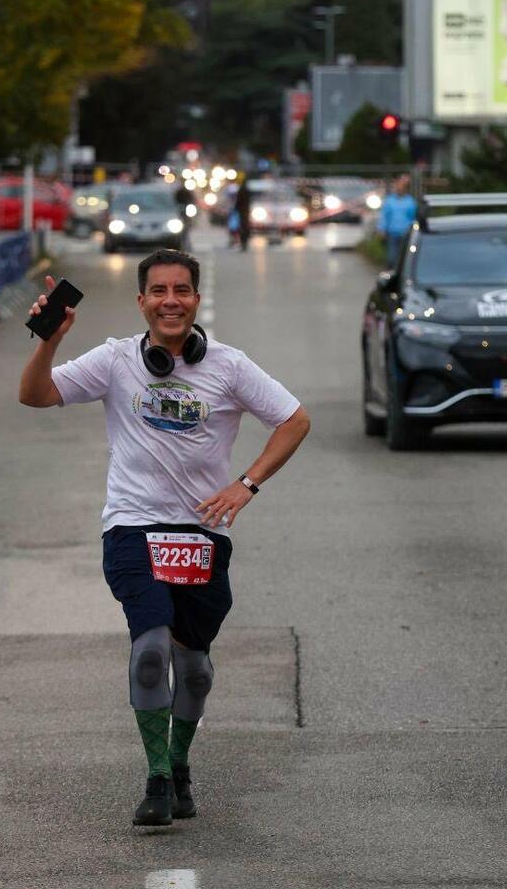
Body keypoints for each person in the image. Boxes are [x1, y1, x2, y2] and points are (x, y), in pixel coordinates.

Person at [19, 249, 310, 828]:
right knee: (150, 651)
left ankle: (178, 767)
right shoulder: (115, 360)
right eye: (158, 291)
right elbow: (36, 395)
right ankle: (154, 779)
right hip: (132, 526)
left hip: (202, 534)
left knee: (194, 667)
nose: (170, 300)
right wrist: (49, 340)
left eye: (181, 290)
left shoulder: (227, 366)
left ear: (196, 300)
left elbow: (294, 419)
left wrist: (245, 485)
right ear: (142, 301)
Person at [378, 172, 418, 267]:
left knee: (404, 258)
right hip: (392, 233)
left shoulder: (410, 201)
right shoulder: (389, 201)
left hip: (406, 233)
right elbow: (384, 216)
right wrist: (382, 229)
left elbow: (413, 217)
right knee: (391, 258)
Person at [234, 175, 252, 251]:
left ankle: (243, 243)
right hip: (245, 211)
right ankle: (244, 243)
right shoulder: (247, 190)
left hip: (242, 211)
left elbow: (238, 201)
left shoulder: (241, 190)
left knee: (243, 228)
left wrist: (236, 208)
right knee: (245, 227)